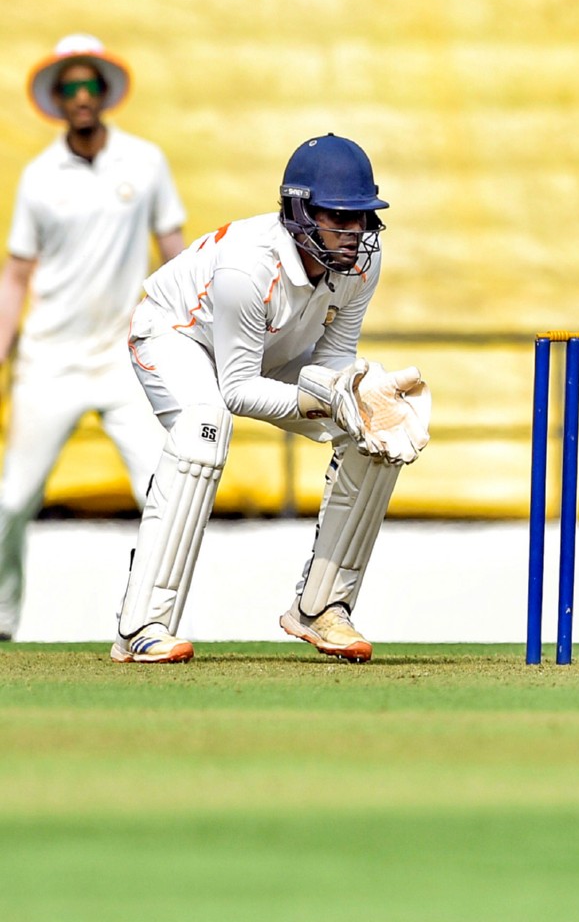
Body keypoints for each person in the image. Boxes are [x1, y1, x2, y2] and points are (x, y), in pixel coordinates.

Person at [112, 133, 431, 663]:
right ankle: (142, 625)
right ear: (300, 211)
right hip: (177, 336)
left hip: (268, 350)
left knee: (373, 429)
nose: (354, 234)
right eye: (339, 217)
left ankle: (322, 608)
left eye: (362, 219)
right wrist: (324, 400)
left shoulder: (360, 267)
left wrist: (350, 399)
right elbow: (236, 391)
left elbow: (334, 360)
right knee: (203, 427)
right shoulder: (249, 266)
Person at [0, 34, 187, 642]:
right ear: (56, 100)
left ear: (104, 94)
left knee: (164, 490)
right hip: (48, 362)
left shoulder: (146, 162)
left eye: (90, 85)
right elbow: (17, 276)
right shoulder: (37, 177)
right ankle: (1, 619)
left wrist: (189, 332)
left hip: (122, 360)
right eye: (69, 87)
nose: (81, 96)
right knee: (10, 502)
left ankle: (149, 623)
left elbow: (173, 252)